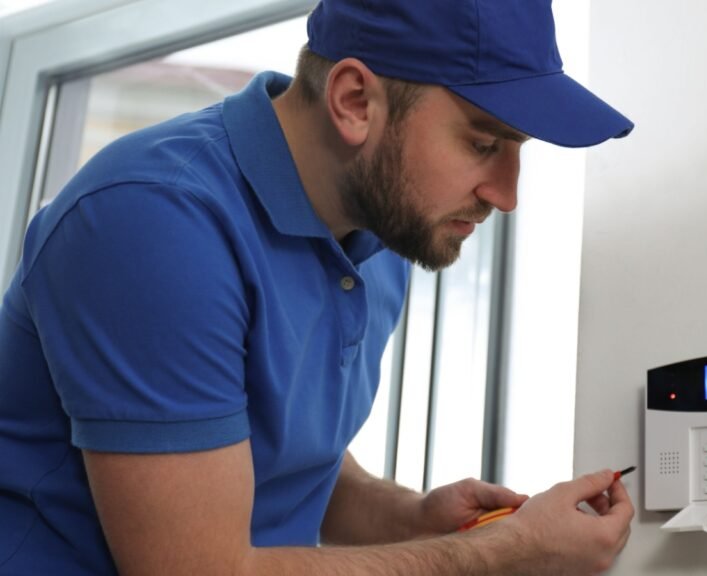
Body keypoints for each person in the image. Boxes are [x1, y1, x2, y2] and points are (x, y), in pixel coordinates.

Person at [0, 0, 635, 574]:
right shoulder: (153, 222)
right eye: (483, 141)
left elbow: (267, 455)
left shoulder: (379, 235)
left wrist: (407, 517)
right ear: (355, 100)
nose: (507, 194)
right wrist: (507, 552)